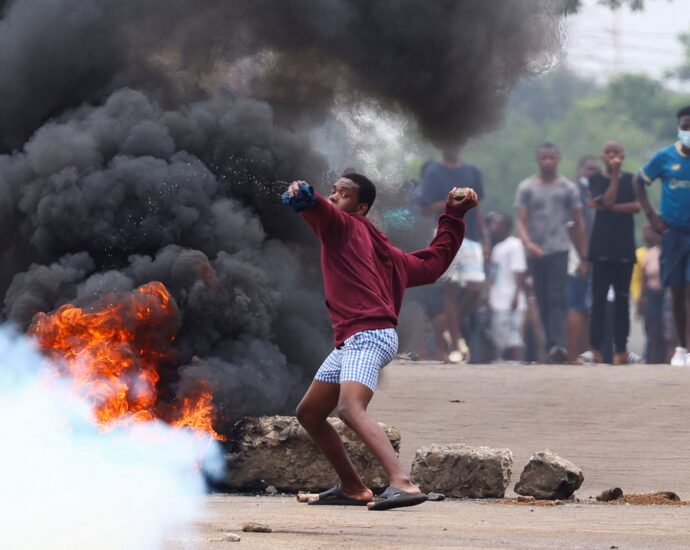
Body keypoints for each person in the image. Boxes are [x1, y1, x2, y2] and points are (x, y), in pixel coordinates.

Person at [283, 173, 478, 510]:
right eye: (332, 192)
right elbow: (433, 263)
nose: (333, 198)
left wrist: (305, 197)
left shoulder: (343, 225)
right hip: (353, 339)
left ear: (360, 208)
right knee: (310, 412)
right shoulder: (387, 253)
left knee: (349, 408)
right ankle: (352, 487)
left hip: (367, 335)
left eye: (342, 195)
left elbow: (321, 211)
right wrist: (454, 216)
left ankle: (403, 483)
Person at [514, 143, 588, 363]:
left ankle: (558, 344)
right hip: (536, 251)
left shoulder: (567, 188)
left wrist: (583, 256)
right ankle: (549, 345)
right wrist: (528, 243)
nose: (547, 162)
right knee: (543, 298)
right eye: (543, 158)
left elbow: (577, 223)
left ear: (558, 159)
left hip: (560, 248)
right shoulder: (527, 187)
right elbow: (521, 220)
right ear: (538, 161)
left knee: (557, 296)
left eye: (551, 158)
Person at [415, 147, 487, 362]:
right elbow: (425, 209)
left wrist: (485, 240)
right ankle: (456, 343)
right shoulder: (433, 172)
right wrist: (451, 202)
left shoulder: (472, 171)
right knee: (451, 289)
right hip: (446, 233)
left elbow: (479, 208)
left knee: (475, 289)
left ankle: (450, 327)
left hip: (471, 236)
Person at [634, 105, 690, 366]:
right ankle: (681, 348)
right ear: (679, 128)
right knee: (677, 290)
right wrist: (651, 216)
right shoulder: (666, 157)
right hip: (674, 234)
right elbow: (639, 181)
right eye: (685, 127)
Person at [579, 141, 640, 364]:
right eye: (608, 152)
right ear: (603, 156)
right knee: (598, 300)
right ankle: (595, 349)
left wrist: (607, 207)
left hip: (624, 248)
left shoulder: (632, 179)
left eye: (616, 152)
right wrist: (613, 179)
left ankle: (621, 350)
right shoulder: (595, 180)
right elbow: (604, 199)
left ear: (623, 156)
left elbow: (636, 206)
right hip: (601, 248)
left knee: (623, 302)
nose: (613, 156)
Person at [566, 155, 600, 363]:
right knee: (576, 305)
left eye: (596, 170)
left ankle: (586, 353)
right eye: (589, 169)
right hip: (576, 258)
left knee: (587, 308)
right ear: (580, 170)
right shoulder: (575, 192)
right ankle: (572, 356)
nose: (592, 173)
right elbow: (575, 228)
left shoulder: (593, 194)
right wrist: (583, 258)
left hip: (591, 257)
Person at [488, 213, 527, 361]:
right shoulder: (497, 247)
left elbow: (519, 271)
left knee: (514, 337)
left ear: (506, 227)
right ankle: (504, 364)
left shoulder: (514, 245)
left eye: (496, 224)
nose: (493, 228)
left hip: (511, 300)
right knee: (500, 337)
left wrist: (517, 295)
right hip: (498, 301)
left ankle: (516, 363)